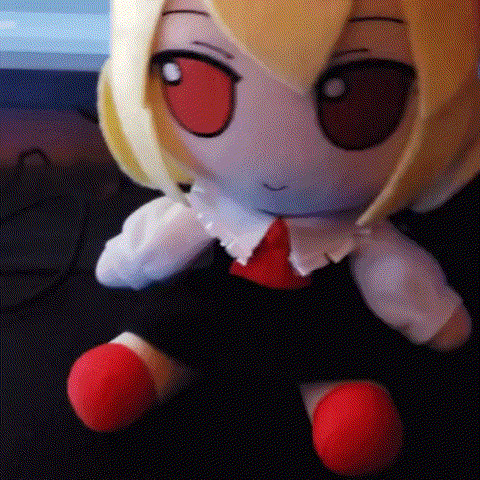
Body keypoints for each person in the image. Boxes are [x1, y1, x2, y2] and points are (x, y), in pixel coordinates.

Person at [68, 0, 479, 475]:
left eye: (358, 96)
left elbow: (395, 277)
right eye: (193, 79)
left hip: (320, 320)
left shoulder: (356, 232)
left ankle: (337, 397)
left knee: (347, 398)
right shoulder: (211, 210)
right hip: (219, 304)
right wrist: (127, 260)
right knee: (168, 333)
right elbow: (158, 245)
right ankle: (146, 363)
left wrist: (435, 317)